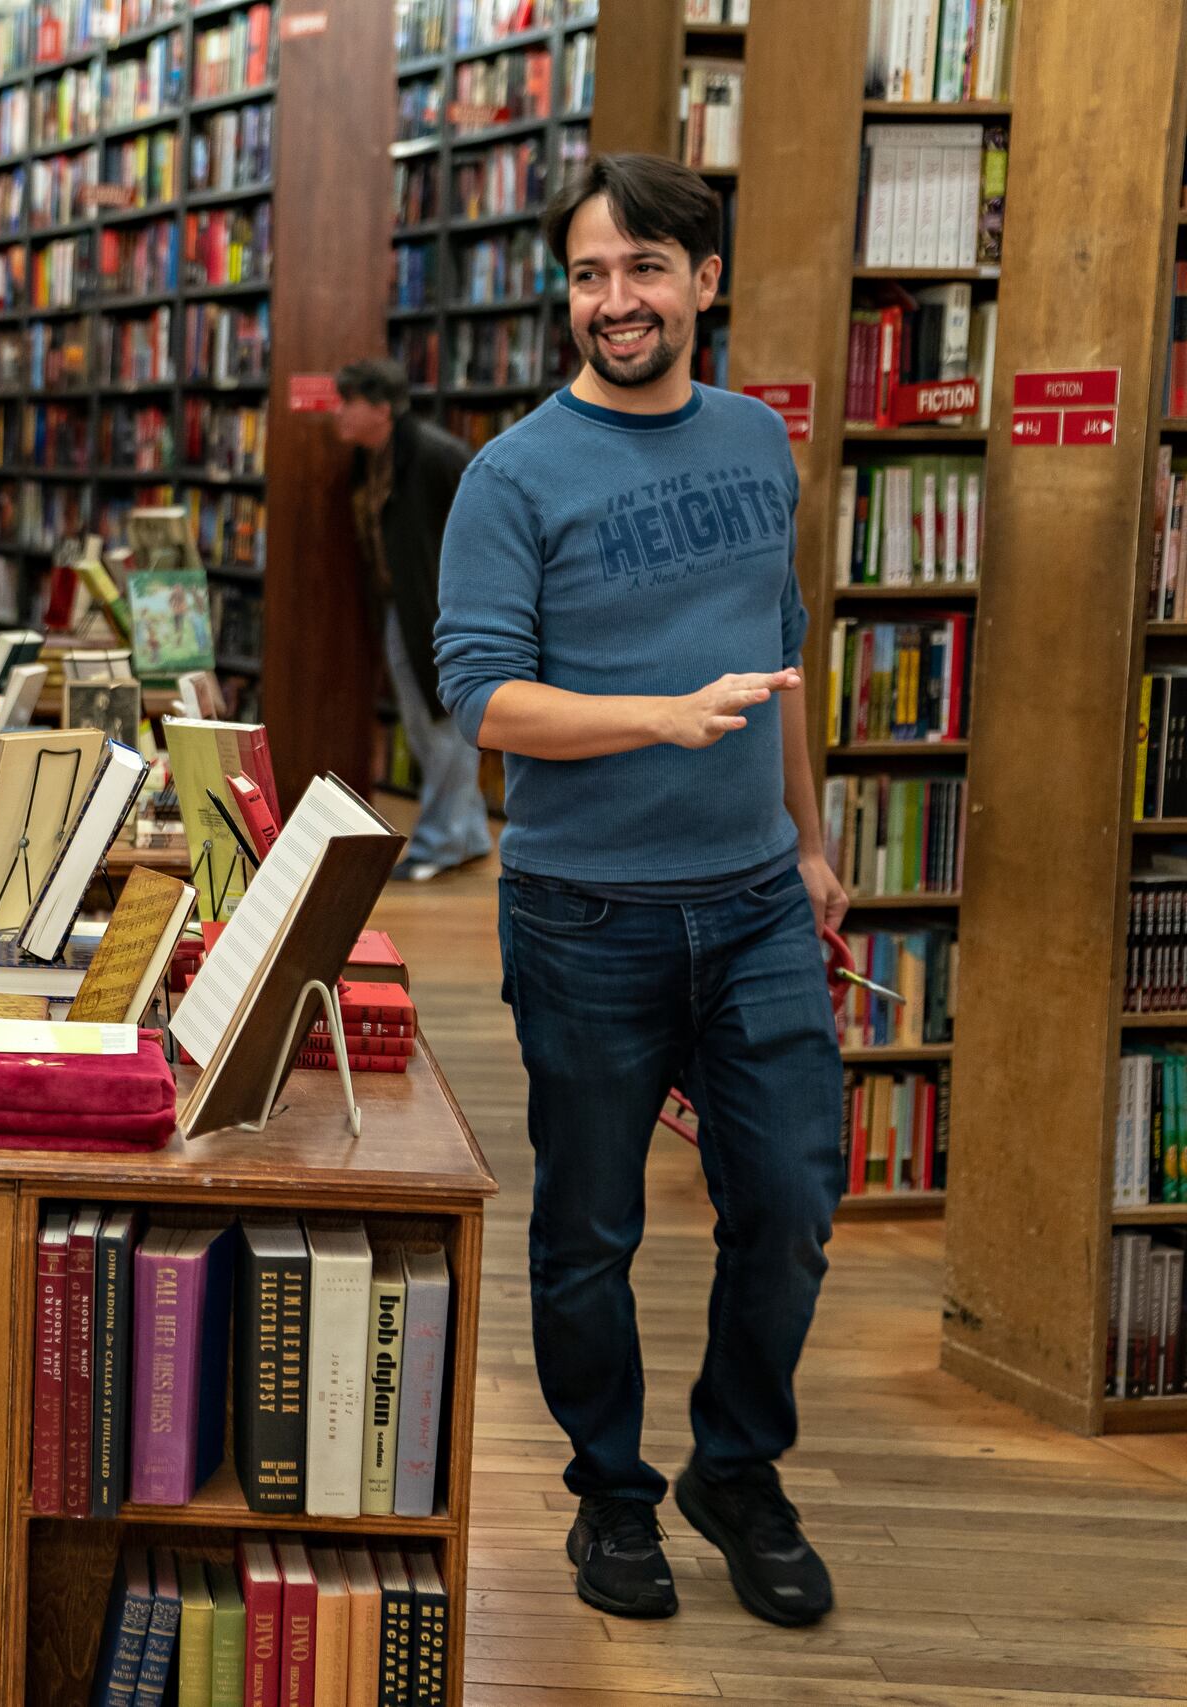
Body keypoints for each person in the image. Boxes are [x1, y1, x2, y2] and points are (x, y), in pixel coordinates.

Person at [434, 152, 846, 1631]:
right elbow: (481, 700)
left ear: (703, 282)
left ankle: (739, 1468)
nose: (617, 300)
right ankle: (612, 1491)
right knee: (589, 1229)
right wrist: (658, 717)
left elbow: (783, 647)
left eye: (646, 269)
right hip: (585, 912)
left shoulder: (755, 438)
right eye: (592, 274)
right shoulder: (511, 476)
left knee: (793, 1199)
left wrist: (807, 838)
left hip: (752, 904)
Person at [331, 358, 488, 880]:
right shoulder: (370, 458)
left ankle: (439, 844)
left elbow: (485, 518)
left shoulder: (434, 455)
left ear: (381, 408)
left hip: (441, 612)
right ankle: (466, 834)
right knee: (425, 728)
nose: (339, 413)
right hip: (402, 607)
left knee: (444, 725)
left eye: (348, 401)